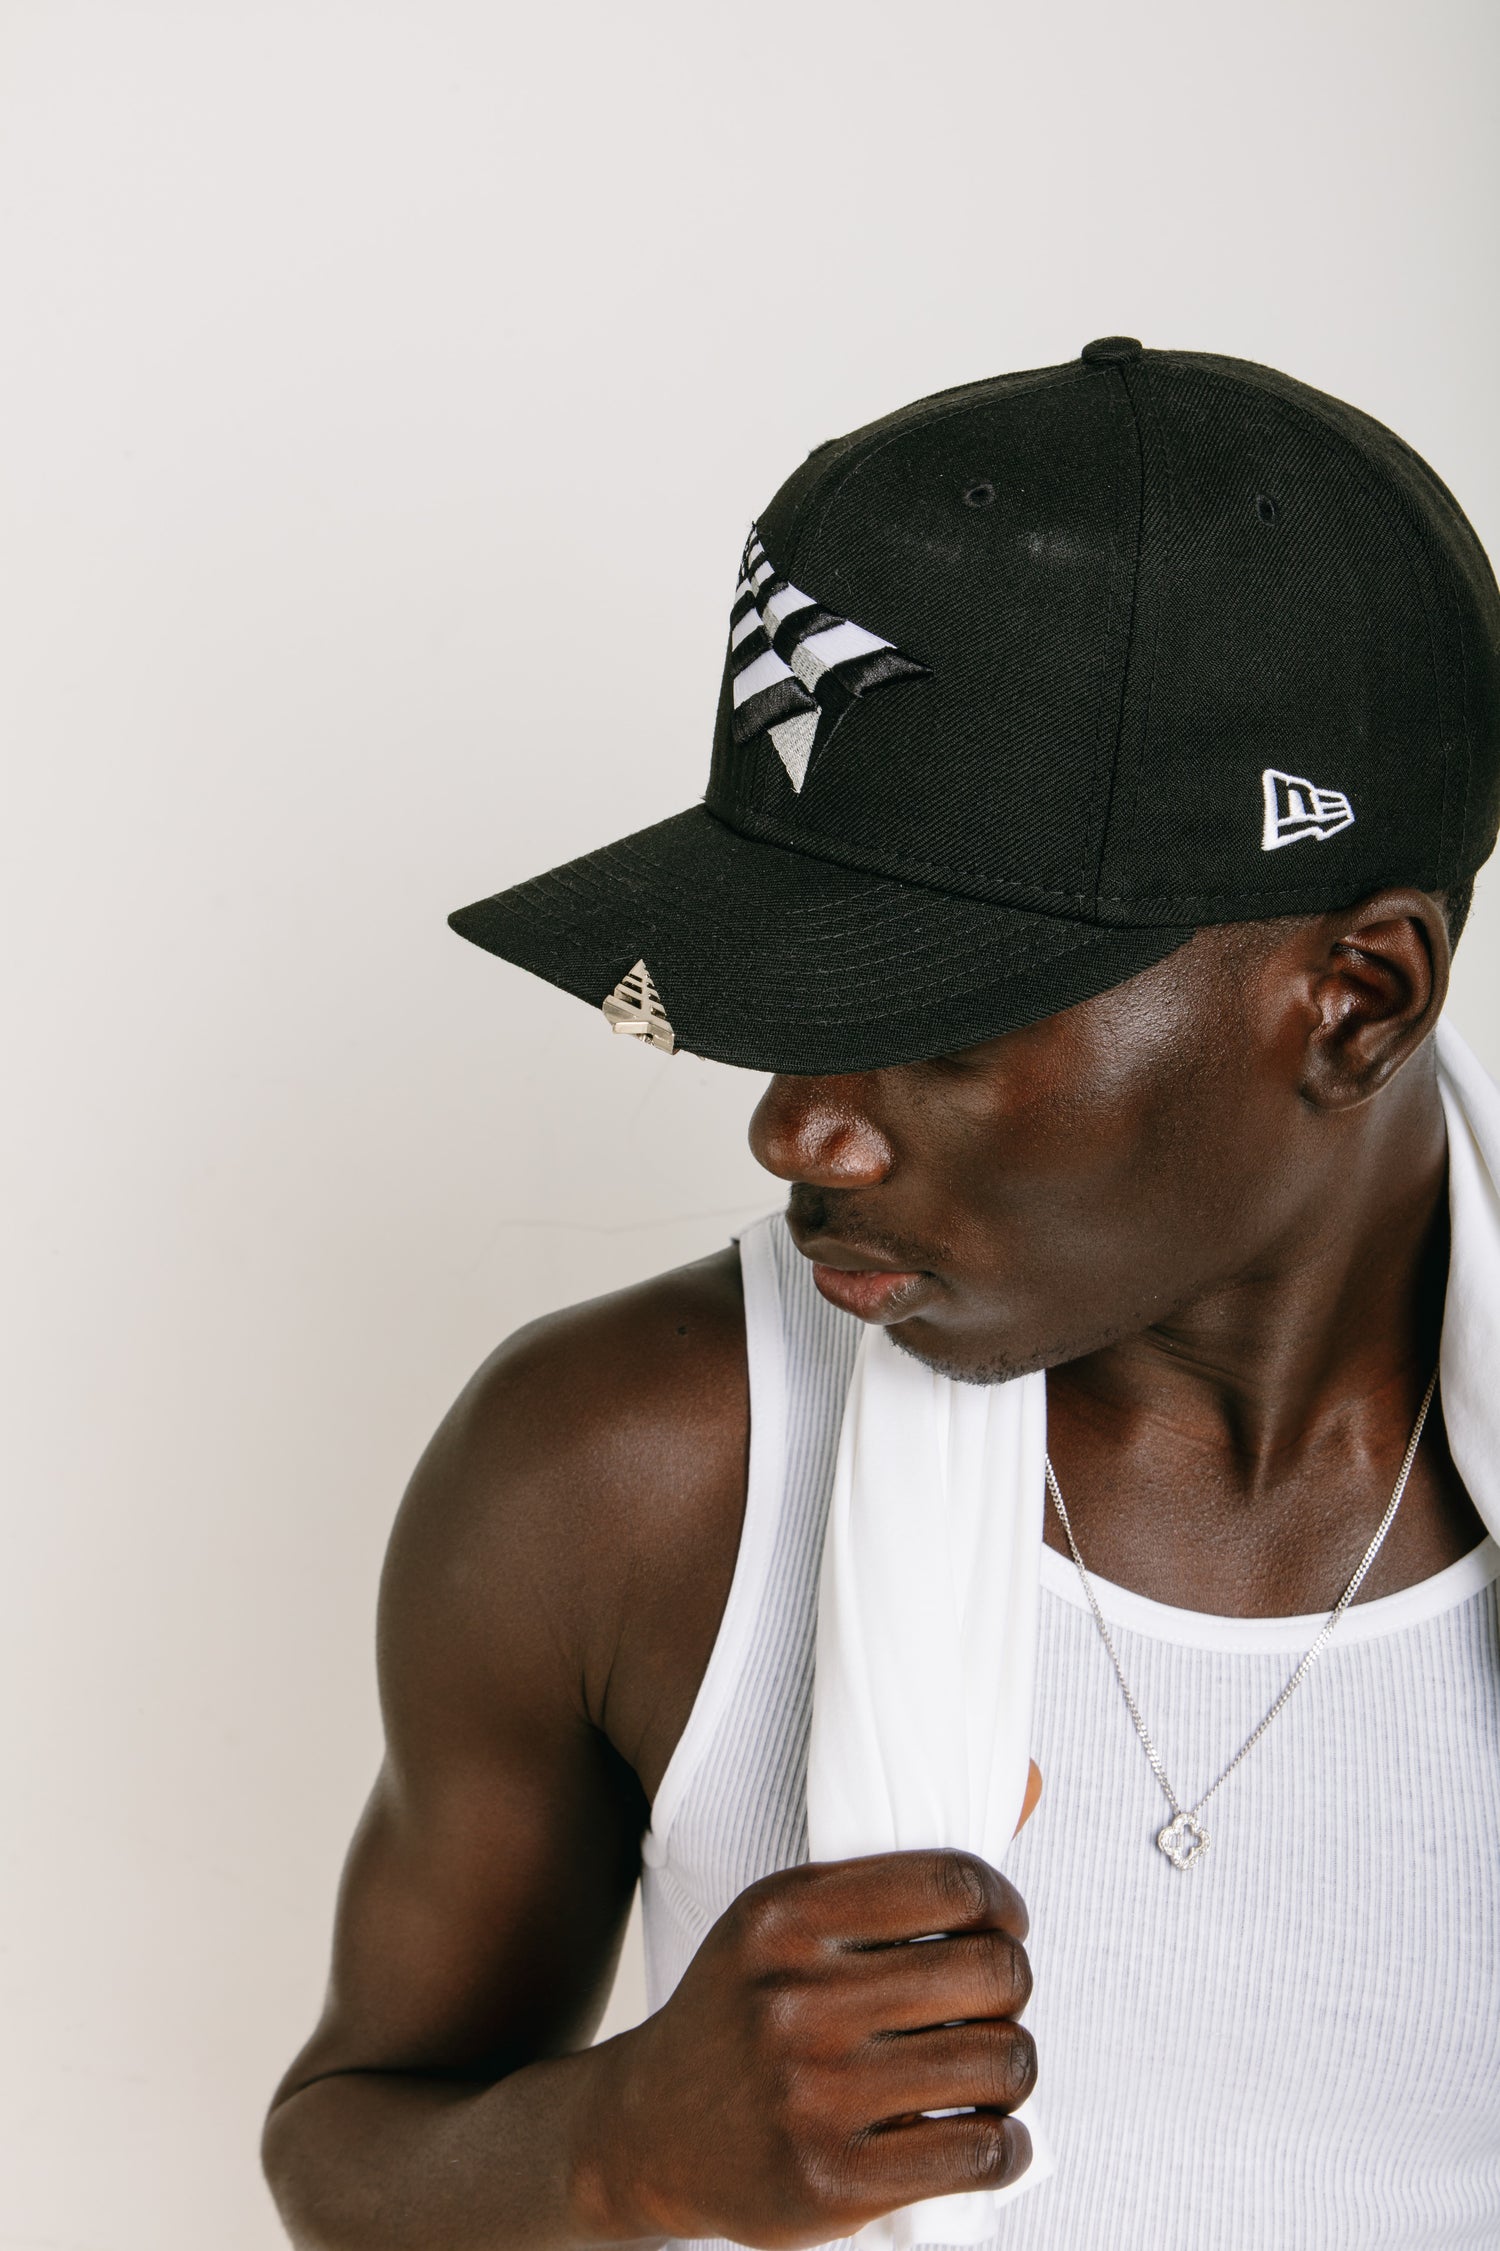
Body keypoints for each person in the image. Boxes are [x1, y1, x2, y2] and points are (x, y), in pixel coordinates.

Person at [262, 339, 1500, 2249]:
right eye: (792, 995)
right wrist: (617, 2145)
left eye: (936, 1023)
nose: (794, 1129)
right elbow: (345, 2147)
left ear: (1357, 1000)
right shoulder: (633, 1473)